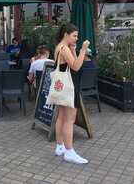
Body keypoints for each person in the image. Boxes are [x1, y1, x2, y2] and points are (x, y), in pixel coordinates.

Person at [53, 23, 90, 164]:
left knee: (62, 117)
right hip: (70, 87)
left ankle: (60, 146)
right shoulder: (63, 48)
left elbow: (73, 63)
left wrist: (74, 50)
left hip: (63, 87)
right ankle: (69, 151)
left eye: (77, 36)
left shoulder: (61, 47)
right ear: (66, 35)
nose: (76, 38)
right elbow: (76, 67)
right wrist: (83, 50)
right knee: (69, 119)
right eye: (74, 36)